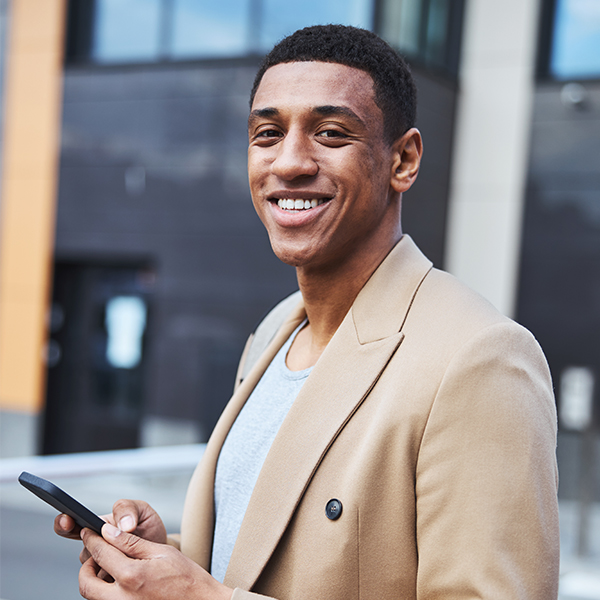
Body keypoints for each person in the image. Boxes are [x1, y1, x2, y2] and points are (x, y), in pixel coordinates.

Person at [55, 24, 560, 600]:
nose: (290, 161)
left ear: (404, 159)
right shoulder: (276, 329)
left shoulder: (480, 358)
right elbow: (269, 564)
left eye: (330, 133)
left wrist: (198, 598)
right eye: (267, 133)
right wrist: (166, 560)